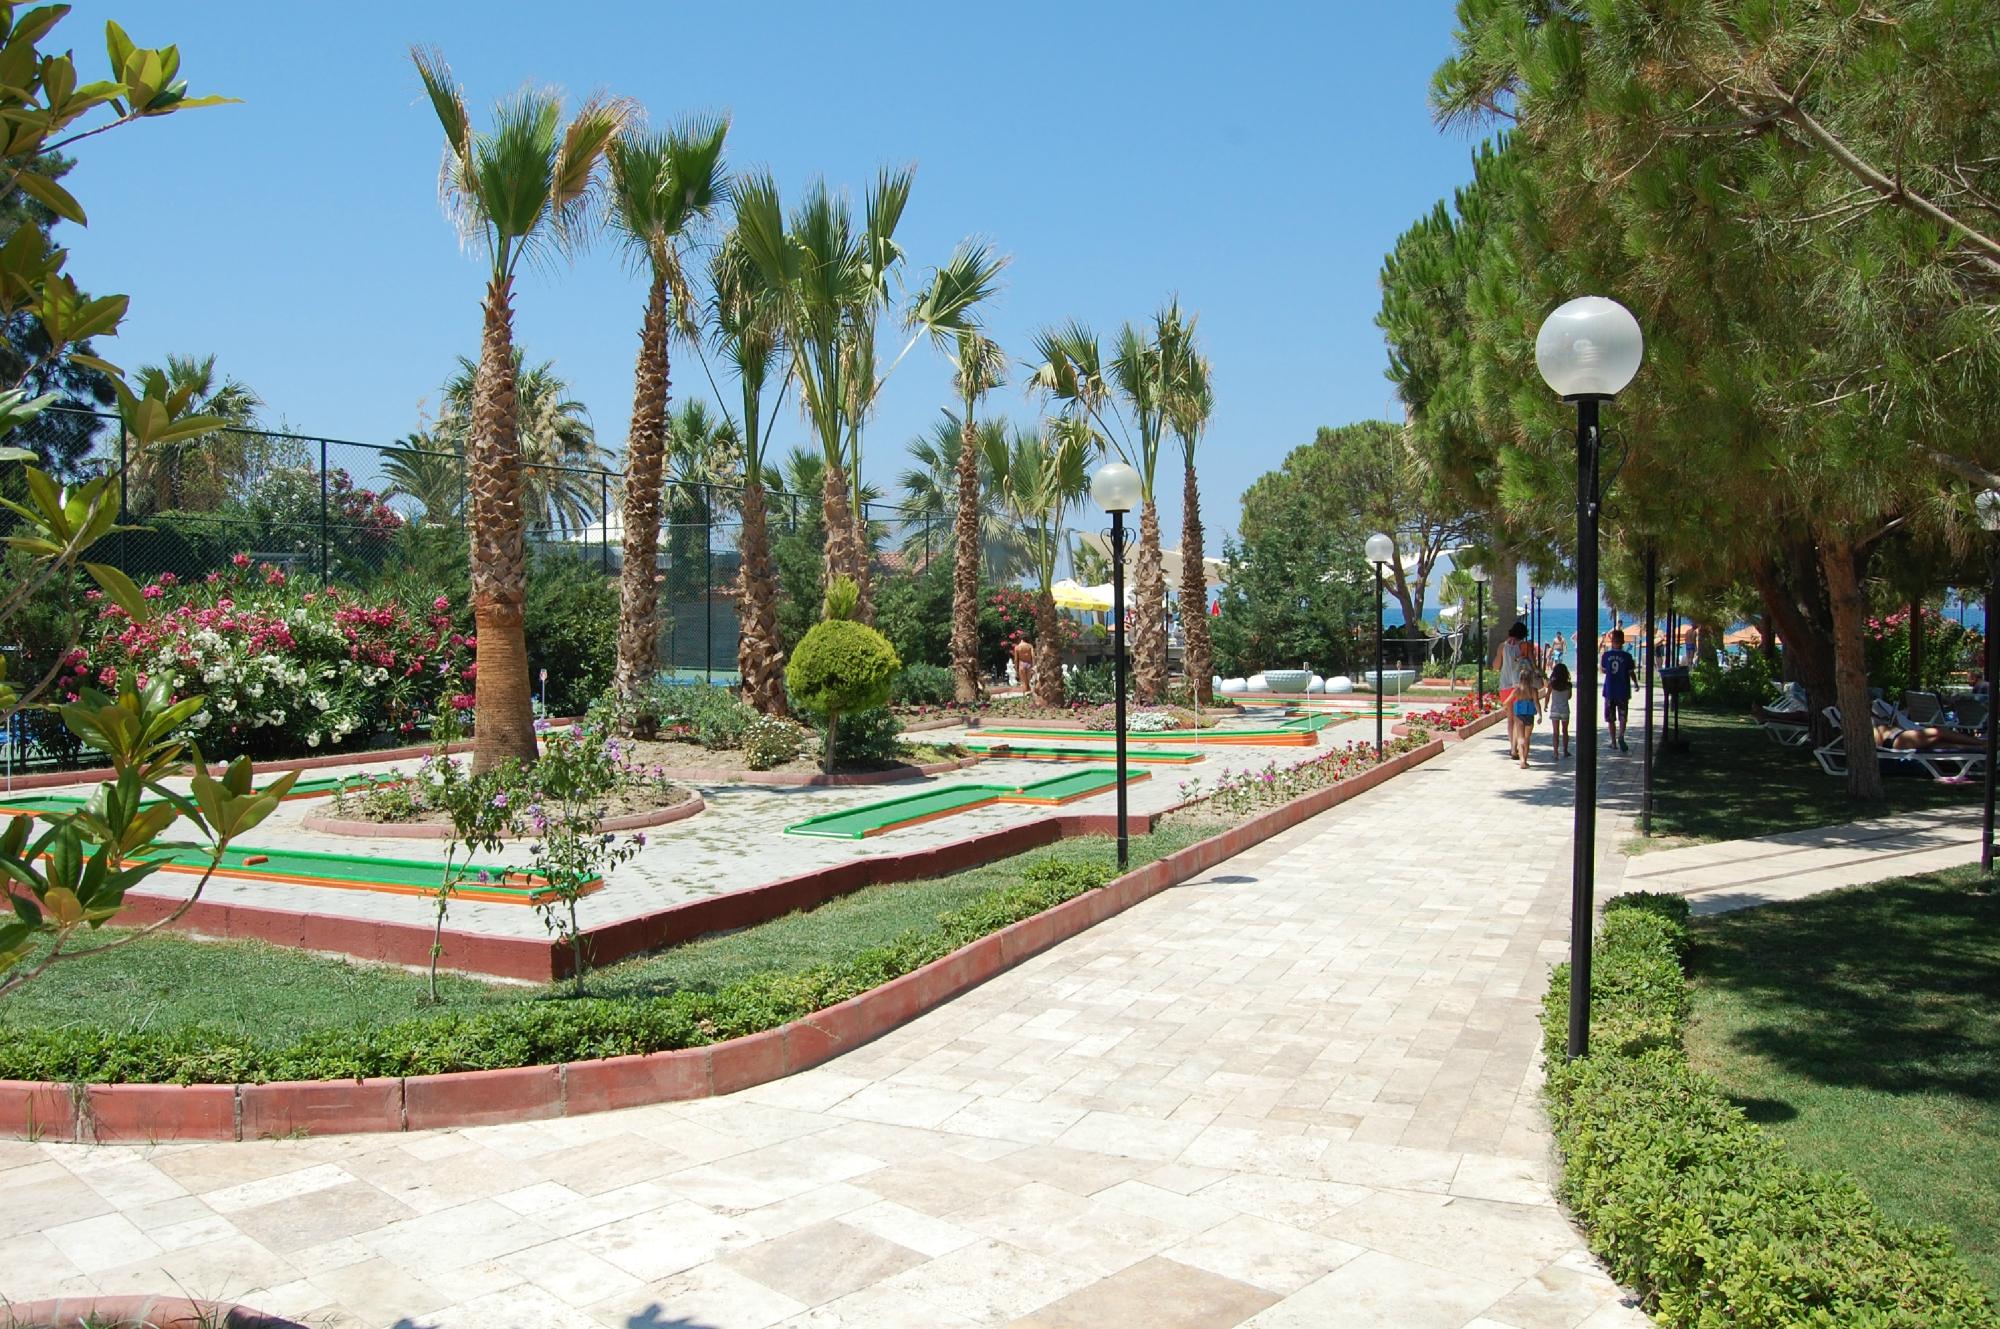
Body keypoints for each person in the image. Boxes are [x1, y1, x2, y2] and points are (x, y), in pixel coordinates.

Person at [1600, 628, 1637, 752]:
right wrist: (1636, 683)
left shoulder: (1606, 655)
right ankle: (1621, 735)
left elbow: (1603, 670)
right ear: (1623, 641)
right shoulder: (1627, 656)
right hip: (1623, 690)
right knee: (1622, 716)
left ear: (1612, 641)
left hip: (1609, 690)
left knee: (1610, 718)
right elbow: (1631, 672)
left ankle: (1613, 742)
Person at [1512, 653, 1545, 768]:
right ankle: (1525, 760)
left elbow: (1508, 701)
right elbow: (1536, 703)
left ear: (1520, 678)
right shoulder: (1533, 690)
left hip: (1519, 715)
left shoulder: (1517, 690)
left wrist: (1506, 706)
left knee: (1520, 738)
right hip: (1530, 715)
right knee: (1527, 738)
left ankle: (1521, 760)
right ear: (1530, 678)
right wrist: (1540, 715)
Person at [1546, 661, 1573, 759]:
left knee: (1555, 732)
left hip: (1555, 710)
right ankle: (1565, 751)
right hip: (1565, 710)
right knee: (1565, 731)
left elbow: (1547, 696)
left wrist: (1545, 705)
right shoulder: (1568, 685)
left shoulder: (1552, 684)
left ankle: (1555, 752)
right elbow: (1569, 697)